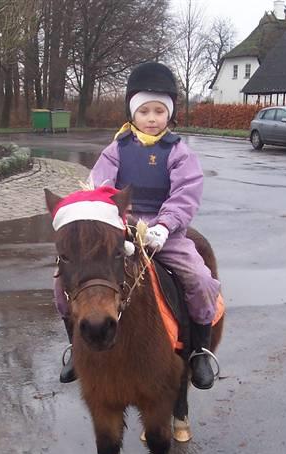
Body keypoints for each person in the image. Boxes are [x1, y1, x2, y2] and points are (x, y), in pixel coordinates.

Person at [55, 61, 221, 390]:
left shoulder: (179, 153)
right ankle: (76, 346)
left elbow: (186, 194)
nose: (152, 118)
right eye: (145, 110)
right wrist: (109, 220)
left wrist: (164, 225)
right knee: (61, 282)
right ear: (133, 113)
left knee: (200, 278)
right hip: (121, 228)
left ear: (170, 115)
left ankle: (199, 351)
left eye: (159, 111)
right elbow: (99, 187)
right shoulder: (116, 149)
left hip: (165, 232)